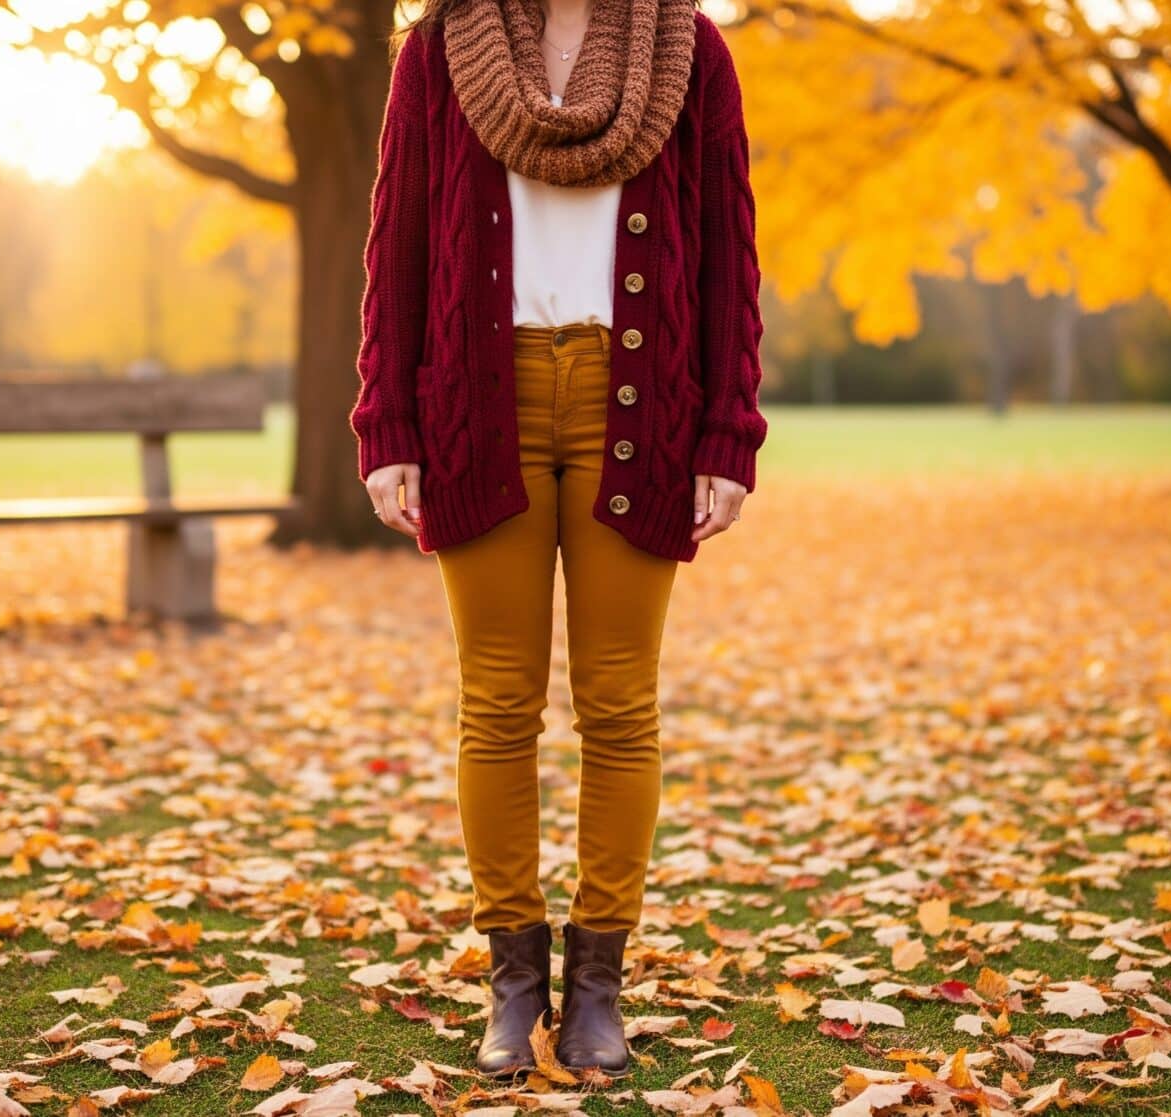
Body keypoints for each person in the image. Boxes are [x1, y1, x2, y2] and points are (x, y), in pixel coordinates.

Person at [347, 0, 766, 1081]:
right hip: (480, 397)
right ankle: (513, 980)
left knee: (619, 703)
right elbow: (397, 242)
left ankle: (596, 987)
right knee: (496, 700)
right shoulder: (439, 51)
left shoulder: (690, 50)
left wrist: (729, 429)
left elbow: (729, 252)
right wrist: (386, 423)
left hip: (643, 397)